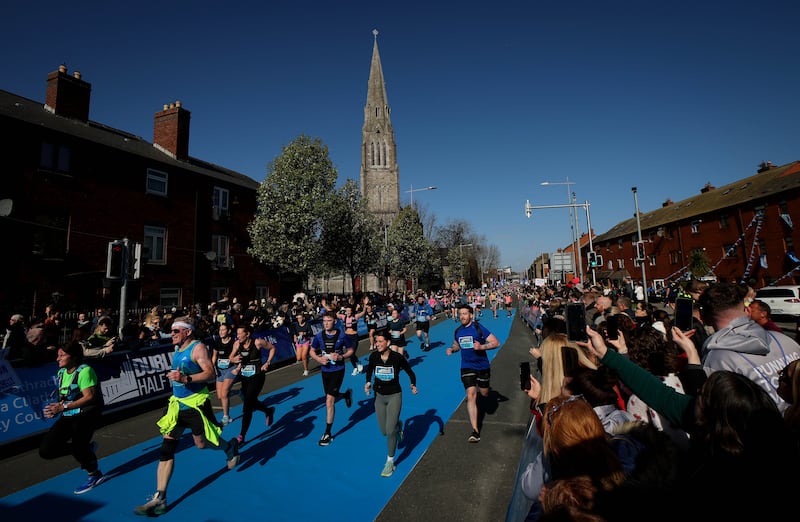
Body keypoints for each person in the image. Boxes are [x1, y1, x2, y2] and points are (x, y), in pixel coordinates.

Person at [581, 324, 798, 517]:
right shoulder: (713, 418)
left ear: (715, 413)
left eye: (700, 397)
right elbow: (658, 393)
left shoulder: (756, 463)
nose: (694, 399)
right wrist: (606, 354)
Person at [133, 316, 240, 516]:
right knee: (166, 448)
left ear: (188, 332)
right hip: (177, 404)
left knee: (201, 444)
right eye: (171, 331)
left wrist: (185, 378)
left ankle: (229, 447)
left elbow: (211, 374)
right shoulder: (177, 348)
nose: (172, 334)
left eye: (176, 331)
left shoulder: (198, 348)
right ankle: (160, 497)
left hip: (196, 404)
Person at [697, 282, 800, 412]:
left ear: (704, 317)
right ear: (748, 311)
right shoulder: (785, 339)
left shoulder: (716, 360)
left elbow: (717, 411)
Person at [40, 340, 106, 495]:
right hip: (70, 414)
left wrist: (63, 407)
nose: (58, 359)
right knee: (46, 451)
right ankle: (84, 449)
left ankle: (95, 474)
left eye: (62, 355)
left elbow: (89, 397)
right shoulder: (61, 373)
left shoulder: (85, 371)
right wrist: (56, 409)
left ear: (74, 356)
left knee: (79, 444)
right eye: (58, 355)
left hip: (87, 414)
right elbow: (65, 396)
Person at [363, 330, 418, 477]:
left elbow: (410, 371)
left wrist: (413, 384)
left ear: (387, 342)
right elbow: (369, 371)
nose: (377, 344)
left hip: (394, 395)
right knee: (384, 431)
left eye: (380, 341)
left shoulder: (397, 358)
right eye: (376, 341)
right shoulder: (374, 357)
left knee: (389, 430)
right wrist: (368, 382)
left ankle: (390, 462)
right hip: (379, 397)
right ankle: (399, 425)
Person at [446, 304, 501, 442]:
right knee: (470, 395)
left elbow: (496, 342)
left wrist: (481, 346)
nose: (462, 316)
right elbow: (457, 344)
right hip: (467, 366)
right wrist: (452, 349)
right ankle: (475, 431)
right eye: (460, 314)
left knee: (484, 393)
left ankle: (485, 394)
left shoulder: (478, 328)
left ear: (471, 315)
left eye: (465, 314)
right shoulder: (458, 331)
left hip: (482, 366)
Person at [308, 311, 354, 446]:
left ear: (335, 321)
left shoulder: (342, 335)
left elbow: (351, 350)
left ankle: (327, 433)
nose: (326, 323)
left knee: (329, 400)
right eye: (324, 321)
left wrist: (341, 357)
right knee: (330, 395)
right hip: (325, 370)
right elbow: (312, 351)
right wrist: (319, 359)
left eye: (329, 321)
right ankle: (345, 395)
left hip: (338, 370)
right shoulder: (319, 336)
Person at [229, 325, 276, 444]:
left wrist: (267, 363)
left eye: (240, 333)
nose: (238, 336)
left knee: (247, 405)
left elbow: (272, 348)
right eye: (237, 333)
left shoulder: (258, 342)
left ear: (247, 334)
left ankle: (241, 436)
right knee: (251, 401)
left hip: (257, 376)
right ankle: (268, 411)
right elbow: (231, 357)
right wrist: (234, 359)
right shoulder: (237, 344)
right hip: (244, 377)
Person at [210, 322, 237, 425]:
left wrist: (238, 367)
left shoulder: (234, 342)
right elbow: (214, 356)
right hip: (220, 370)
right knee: (220, 396)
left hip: (231, 369)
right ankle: (237, 392)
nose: (221, 332)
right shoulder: (217, 342)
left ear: (228, 331)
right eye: (220, 330)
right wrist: (211, 367)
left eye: (223, 330)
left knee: (224, 393)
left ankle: (226, 417)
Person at [337, 304, 364, 376]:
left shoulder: (355, 316)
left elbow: (363, 312)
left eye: (349, 311)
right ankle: (355, 367)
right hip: (347, 337)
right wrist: (340, 309)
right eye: (347, 311)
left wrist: (364, 305)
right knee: (349, 353)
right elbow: (336, 315)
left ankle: (358, 363)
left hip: (354, 337)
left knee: (352, 353)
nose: (348, 312)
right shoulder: (344, 317)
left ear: (352, 311)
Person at [292, 309, 313, 376]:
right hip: (299, 342)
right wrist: (295, 337)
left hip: (305, 341)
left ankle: (306, 370)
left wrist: (304, 333)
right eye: (298, 318)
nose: (299, 320)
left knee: (303, 356)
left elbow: (311, 333)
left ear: (303, 318)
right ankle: (307, 357)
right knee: (298, 358)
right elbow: (294, 332)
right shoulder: (296, 325)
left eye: (300, 318)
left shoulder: (307, 324)